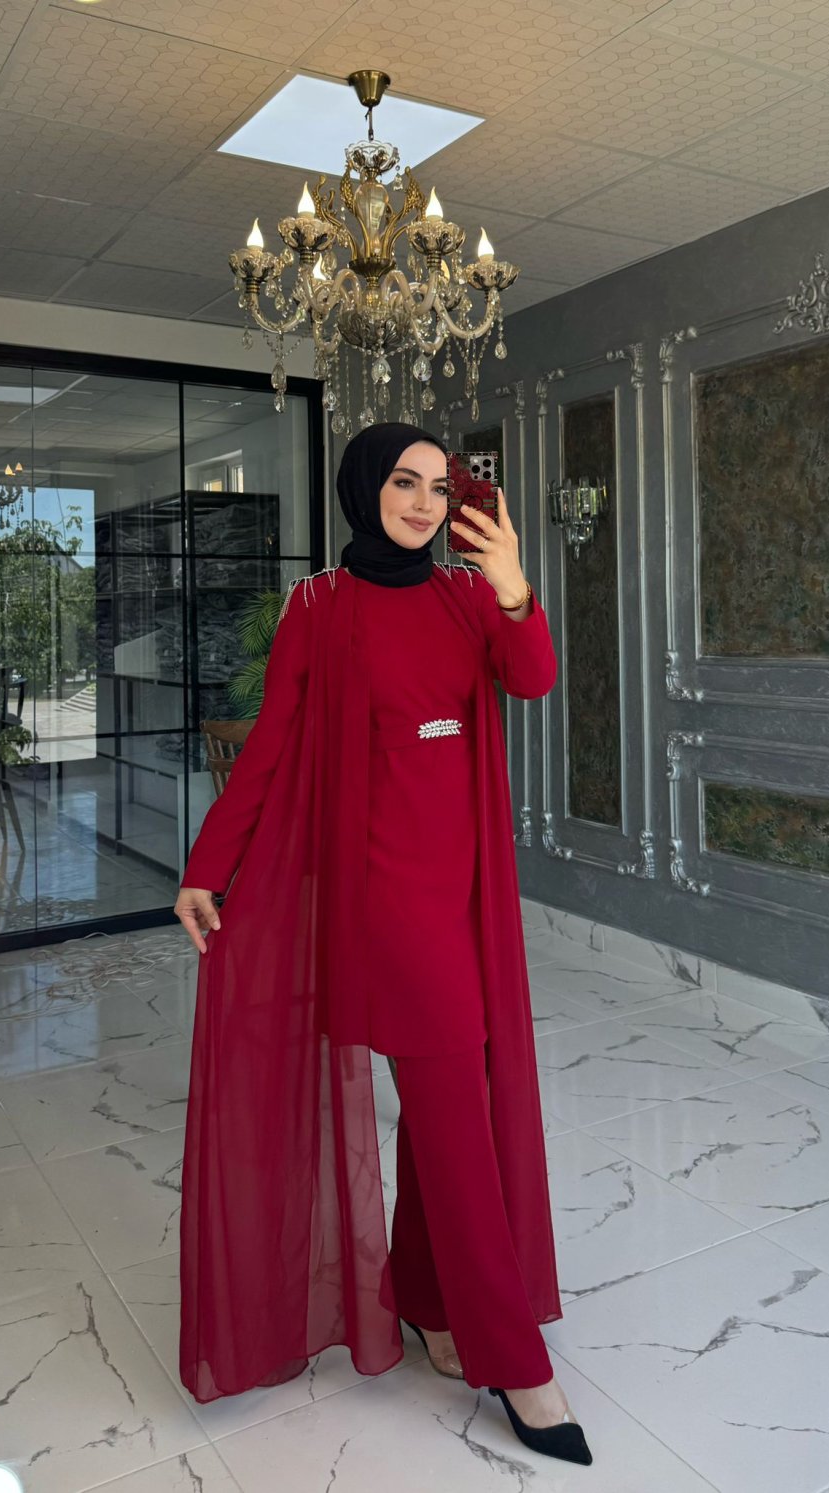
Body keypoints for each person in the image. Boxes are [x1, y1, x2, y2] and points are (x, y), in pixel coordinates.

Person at [174, 422, 592, 1467]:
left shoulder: (465, 596)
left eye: (437, 486)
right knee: (455, 1116)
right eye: (403, 482)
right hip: (385, 902)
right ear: (365, 488)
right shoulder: (321, 606)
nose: (421, 501)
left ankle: (425, 1295)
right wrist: (208, 863)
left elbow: (533, 680)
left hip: (468, 893)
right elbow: (272, 744)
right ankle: (516, 1361)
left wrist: (513, 585)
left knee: (455, 1099)